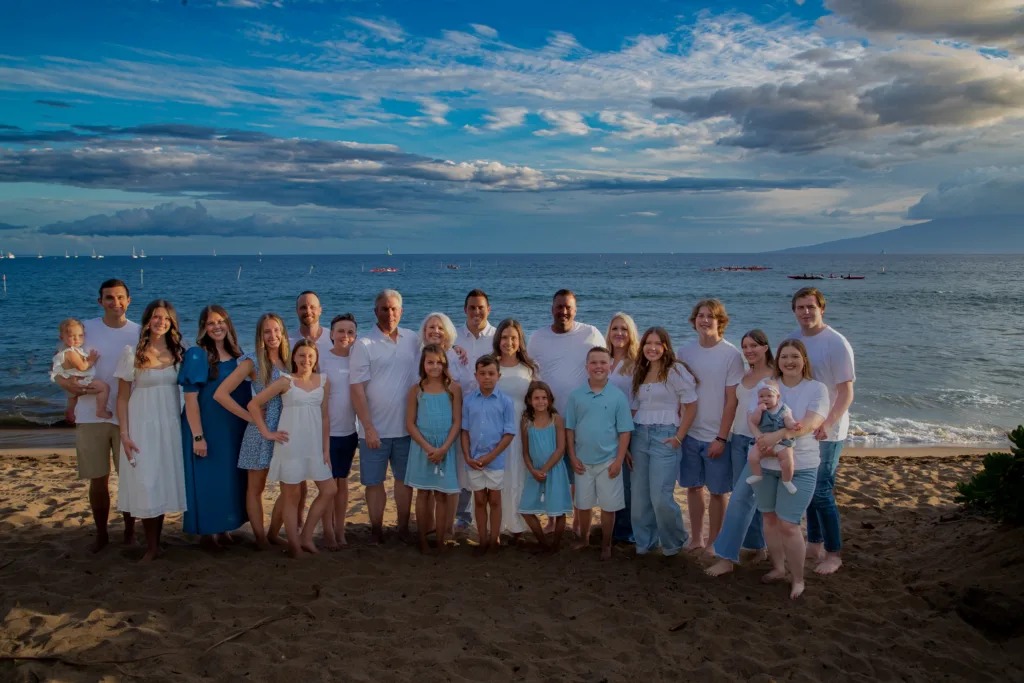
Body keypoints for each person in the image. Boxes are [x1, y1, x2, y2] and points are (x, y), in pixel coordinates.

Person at [52, 279, 140, 553]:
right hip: (91, 415)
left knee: (130, 478)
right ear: (100, 301)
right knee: (98, 478)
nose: (116, 303)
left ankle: (129, 532)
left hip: (129, 416)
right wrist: (67, 387)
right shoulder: (85, 329)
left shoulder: (139, 332)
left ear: (129, 300)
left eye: (120, 298)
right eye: (109, 298)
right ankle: (101, 534)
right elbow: (60, 364)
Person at [750, 339, 829, 599]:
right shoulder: (769, 387)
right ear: (778, 360)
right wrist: (763, 441)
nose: (789, 361)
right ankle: (777, 568)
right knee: (769, 519)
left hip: (801, 464)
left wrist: (777, 436)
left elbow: (808, 424)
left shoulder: (817, 389)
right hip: (766, 463)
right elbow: (754, 418)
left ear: (804, 359)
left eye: (795, 356)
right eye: (784, 356)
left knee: (789, 524)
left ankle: (798, 579)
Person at [788, 287, 856, 575]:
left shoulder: (836, 343)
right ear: (794, 311)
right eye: (801, 307)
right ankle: (814, 543)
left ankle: (833, 553)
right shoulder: (796, 340)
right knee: (808, 488)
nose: (806, 312)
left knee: (822, 491)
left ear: (822, 309)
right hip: (804, 428)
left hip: (829, 430)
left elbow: (846, 392)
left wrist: (827, 424)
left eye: (811, 307)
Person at [249, 340, 337, 558]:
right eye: (301, 356)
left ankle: (306, 536)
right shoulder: (285, 382)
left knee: (329, 490)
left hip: (315, 446)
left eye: (310, 356)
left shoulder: (324, 381)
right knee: (292, 495)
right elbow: (254, 404)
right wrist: (267, 433)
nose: (305, 360)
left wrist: (326, 450)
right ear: (294, 358)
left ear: (316, 358)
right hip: (290, 445)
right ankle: (295, 547)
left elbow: (325, 417)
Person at [114, 299, 187, 563]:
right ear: (147, 320)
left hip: (169, 424)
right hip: (141, 423)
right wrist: (124, 434)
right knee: (146, 480)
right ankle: (152, 546)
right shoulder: (131, 351)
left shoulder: (179, 351)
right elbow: (121, 398)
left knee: (163, 480)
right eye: (156, 317)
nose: (161, 322)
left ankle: (158, 542)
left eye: (166, 318)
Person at [527, 289, 605, 532]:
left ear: (576, 309)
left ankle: (581, 526)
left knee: (580, 472)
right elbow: (530, 372)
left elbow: (604, 365)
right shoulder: (538, 337)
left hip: (582, 416)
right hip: (548, 417)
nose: (563, 311)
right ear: (552, 309)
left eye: (568, 307)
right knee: (554, 470)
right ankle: (553, 520)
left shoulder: (590, 333)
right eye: (559, 306)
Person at [214, 313, 291, 549]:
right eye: (267, 331)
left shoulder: (290, 362)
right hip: (260, 431)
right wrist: (250, 418)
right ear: (260, 335)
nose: (272, 336)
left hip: (287, 430)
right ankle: (260, 538)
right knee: (255, 488)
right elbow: (221, 394)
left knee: (289, 486)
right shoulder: (252, 361)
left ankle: (273, 533)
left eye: (276, 330)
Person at [350, 289, 419, 544]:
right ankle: (376, 529)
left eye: (394, 309)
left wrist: (459, 349)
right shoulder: (363, 344)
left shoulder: (413, 339)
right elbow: (356, 389)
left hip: (406, 428)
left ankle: (402, 528)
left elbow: (440, 344)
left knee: (404, 481)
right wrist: (367, 427)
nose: (389, 314)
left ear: (401, 311)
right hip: (374, 430)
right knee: (374, 482)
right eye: (384, 309)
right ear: (375, 312)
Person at [178, 305, 250, 551]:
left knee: (229, 479)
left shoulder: (238, 354)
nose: (217, 326)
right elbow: (190, 400)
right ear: (203, 328)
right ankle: (208, 532)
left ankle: (224, 528)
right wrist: (198, 436)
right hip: (207, 426)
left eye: (221, 321)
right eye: (211, 323)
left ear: (228, 324)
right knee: (208, 479)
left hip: (233, 428)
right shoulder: (197, 355)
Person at [706, 329, 774, 577]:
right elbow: (733, 407)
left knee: (740, 500)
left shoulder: (775, 377)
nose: (748, 351)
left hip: (760, 444)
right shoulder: (745, 375)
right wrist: (722, 437)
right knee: (747, 497)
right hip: (738, 440)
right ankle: (758, 547)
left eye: (754, 346)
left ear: (766, 347)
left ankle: (726, 557)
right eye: (745, 346)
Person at [678, 299, 744, 552]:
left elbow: (732, 402)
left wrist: (721, 437)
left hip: (716, 435)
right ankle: (697, 538)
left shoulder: (731, 355)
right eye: (700, 315)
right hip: (690, 434)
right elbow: (679, 395)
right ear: (694, 320)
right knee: (693, 488)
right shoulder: (684, 353)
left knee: (718, 492)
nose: (704, 320)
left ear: (720, 322)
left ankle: (715, 541)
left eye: (710, 316)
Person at [629, 328, 697, 557]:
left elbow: (691, 405)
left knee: (660, 497)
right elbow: (634, 408)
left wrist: (679, 437)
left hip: (666, 435)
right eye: (648, 343)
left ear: (666, 346)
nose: (652, 347)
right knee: (639, 497)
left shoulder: (675, 370)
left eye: (658, 343)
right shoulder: (641, 370)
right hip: (639, 435)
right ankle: (645, 542)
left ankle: (674, 541)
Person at [565, 347, 633, 560]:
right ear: (586, 367)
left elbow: (624, 432)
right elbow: (570, 429)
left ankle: (606, 544)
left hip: (609, 461)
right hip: (582, 461)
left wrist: (619, 460)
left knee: (608, 506)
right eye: (593, 363)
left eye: (603, 362)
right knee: (583, 505)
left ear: (610, 366)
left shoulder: (617, 397)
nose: (598, 367)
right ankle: (584, 538)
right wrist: (573, 456)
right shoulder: (576, 396)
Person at [403, 344, 463, 554]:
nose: (435, 366)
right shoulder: (417, 390)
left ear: (445, 363)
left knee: (442, 495)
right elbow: (410, 424)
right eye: (430, 362)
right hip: (423, 448)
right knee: (423, 493)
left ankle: (440, 538)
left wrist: (444, 448)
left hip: (445, 447)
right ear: (423, 364)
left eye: (439, 362)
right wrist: (428, 447)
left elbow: (457, 421)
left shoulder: (453, 388)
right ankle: (422, 539)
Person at [460, 355, 516, 554]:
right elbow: (464, 431)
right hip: (474, 460)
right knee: (480, 500)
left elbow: (509, 434)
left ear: (498, 376)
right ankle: (482, 538)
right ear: (476, 375)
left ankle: (495, 538)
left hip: (495, 461)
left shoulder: (505, 402)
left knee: (494, 500)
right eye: (482, 374)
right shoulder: (468, 401)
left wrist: (491, 457)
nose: (487, 378)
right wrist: (467, 456)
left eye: (491, 374)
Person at [451, 289, 497, 535]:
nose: (476, 311)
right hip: (460, 408)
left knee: (489, 460)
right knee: (463, 461)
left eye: (481, 307)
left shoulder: (497, 337)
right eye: (472, 307)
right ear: (464, 310)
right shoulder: (454, 336)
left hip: (490, 409)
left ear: (489, 310)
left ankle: (490, 515)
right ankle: (463, 515)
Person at [492, 318, 538, 539]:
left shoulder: (529, 369)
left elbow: (536, 401)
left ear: (520, 341)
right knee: (498, 475)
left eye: (513, 338)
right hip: (495, 430)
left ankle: (517, 525)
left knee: (518, 474)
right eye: (504, 337)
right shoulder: (492, 366)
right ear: (497, 339)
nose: (508, 342)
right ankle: (497, 526)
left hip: (522, 430)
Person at [319, 314, 358, 549]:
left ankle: (340, 530)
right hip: (326, 433)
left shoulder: (358, 360)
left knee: (342, 484)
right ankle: (327, 532)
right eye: (340, 331)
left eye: (350, 332)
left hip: (349, 433)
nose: (345, 336)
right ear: (331, 334)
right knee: (327, 487)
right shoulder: (321, 360)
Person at [518, 381, 572, 552]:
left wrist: (545, 469)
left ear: (549, 400)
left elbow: (560, 449)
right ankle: (542, 542)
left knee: (558, 509)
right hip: (534, 472)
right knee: (526, 509)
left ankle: (555, 544)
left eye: (544, 398)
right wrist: (533, 470)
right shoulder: (526, 421)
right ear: (529, 400)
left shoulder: (557, 420)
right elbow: (525, 452)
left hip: (554, 470)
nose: (540, 401)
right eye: (536, 398)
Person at [605, 312, 639, 544]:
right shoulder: (603, 359)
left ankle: (625, 530)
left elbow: (637, 402)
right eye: (615, 328)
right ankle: (611, 524)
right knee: (609, 479)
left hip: (628, 428)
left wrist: (623, 433)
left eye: (624, 329)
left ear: (631, 334)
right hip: (604, 429)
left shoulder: (636, 363)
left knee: (627, 481)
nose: (619, 333)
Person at [746, 379, 801, 494]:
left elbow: (788, 420)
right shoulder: (758, 409)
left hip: (781, 441)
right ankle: (757, 474)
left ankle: (787, 480)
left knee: (787, 461)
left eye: (769, 396)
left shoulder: (784, 408)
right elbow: (754, 421)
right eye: (761, 396)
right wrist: (758, 411)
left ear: (777, 397)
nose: (765, 399)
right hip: (763, 439)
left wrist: (793, 425)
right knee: (752, 457)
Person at [51, 318, 111, 421]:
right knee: (104, 387)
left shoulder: (63, 350)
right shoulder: (71, 352)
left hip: (72, 379)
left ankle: (70, 413)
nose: (77, 339)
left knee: (72, 399)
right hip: (80, 381)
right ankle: (101, 410)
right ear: (62, 337)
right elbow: (82, 367)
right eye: (71, 336)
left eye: (80, 335)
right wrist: (91, 360)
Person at [289, 290, 334, 357]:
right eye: (303, 307)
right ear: (297, 311)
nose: (308, 311)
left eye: (312, 307)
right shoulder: (288, 342)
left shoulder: (333, 339)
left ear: (320, 310)